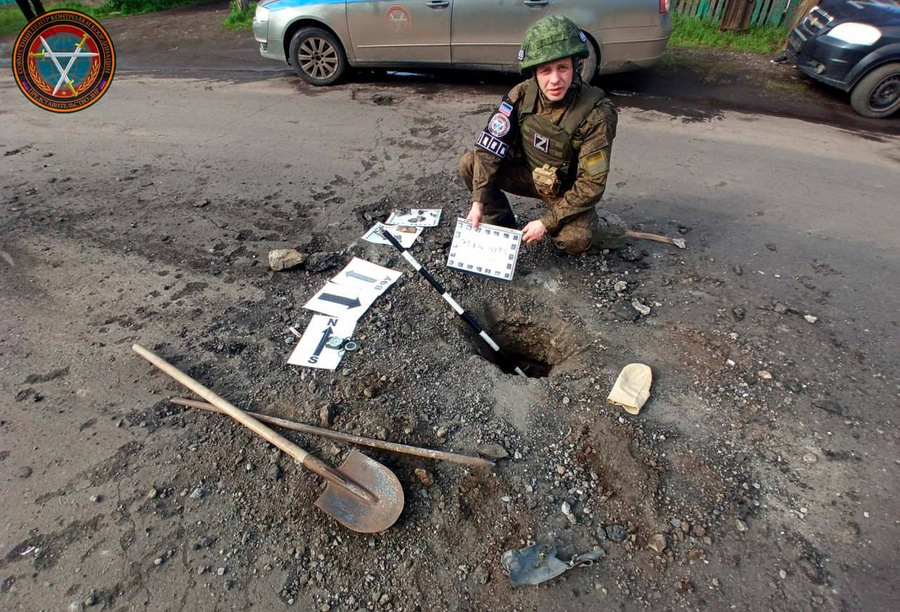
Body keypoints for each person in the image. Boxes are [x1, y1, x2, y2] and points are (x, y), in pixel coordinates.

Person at [459, 15, 626, 256]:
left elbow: (591, 185)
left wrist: (546, 223)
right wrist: (478, 202)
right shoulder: (522, 95)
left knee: (575, 240)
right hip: (526, 174)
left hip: (564, 191)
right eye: (546, 70)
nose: (555, 80)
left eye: (563, 68)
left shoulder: (597, 114)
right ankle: (502, 224)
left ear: (575, 67)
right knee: (470, 163)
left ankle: (603, 231)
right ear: (535, 72)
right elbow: (489, 149)